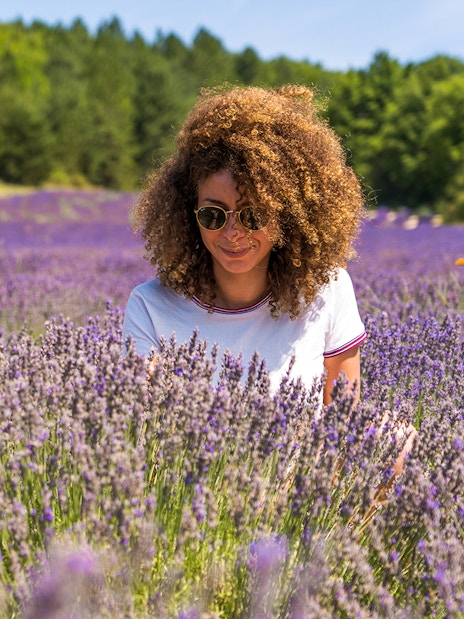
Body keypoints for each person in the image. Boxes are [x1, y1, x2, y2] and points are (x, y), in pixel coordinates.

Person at [122, 84, 366, 407]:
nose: (233, 232)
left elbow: (346, 430)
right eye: (213, 215)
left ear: (287, 214)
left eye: (254, 215)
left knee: (399, 438)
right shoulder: (149, 308)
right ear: (189, 212)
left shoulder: (328, 292)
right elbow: (144, 432)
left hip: (309, 459)